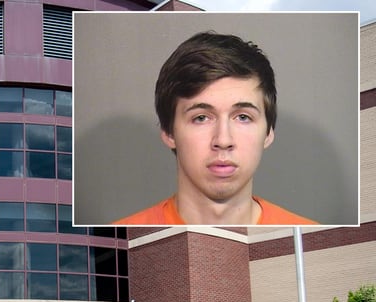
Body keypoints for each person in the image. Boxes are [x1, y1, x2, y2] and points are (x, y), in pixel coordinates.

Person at [112, 31, 317, 225]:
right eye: (201, 118)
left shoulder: (305, 233)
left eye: (243, 117)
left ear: (268, 132)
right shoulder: (124, 229)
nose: (223, 140)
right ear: (168, 131)